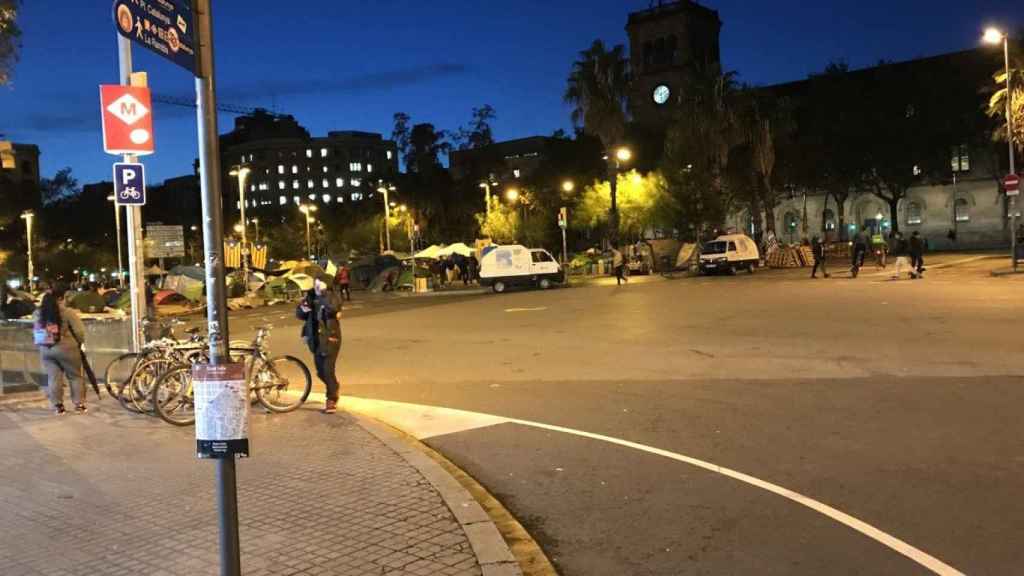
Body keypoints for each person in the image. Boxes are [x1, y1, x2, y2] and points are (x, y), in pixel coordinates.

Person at [34, 283, 88, 415]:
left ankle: (58, 406)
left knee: (53, 378)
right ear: (60, 298)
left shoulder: (37, 313)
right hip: (67, 348)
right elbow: (80, 332)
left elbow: (37, 329)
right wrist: (80, 343)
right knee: (75, 376)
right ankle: (79, 405)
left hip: (46, 348)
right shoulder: (68, 312)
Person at [296, 273, 343, 414]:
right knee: (320, 372)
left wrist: (323, 294)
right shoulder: (310, 296)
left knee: (328, 370)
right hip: (315, 339)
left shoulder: (332, 295)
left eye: (319, 283)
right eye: (315, 283)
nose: (316, 285)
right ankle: (334, 386)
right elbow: (300, 315)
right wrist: (302, 309)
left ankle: (331, 399)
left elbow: (333, 308)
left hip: (330, 338)